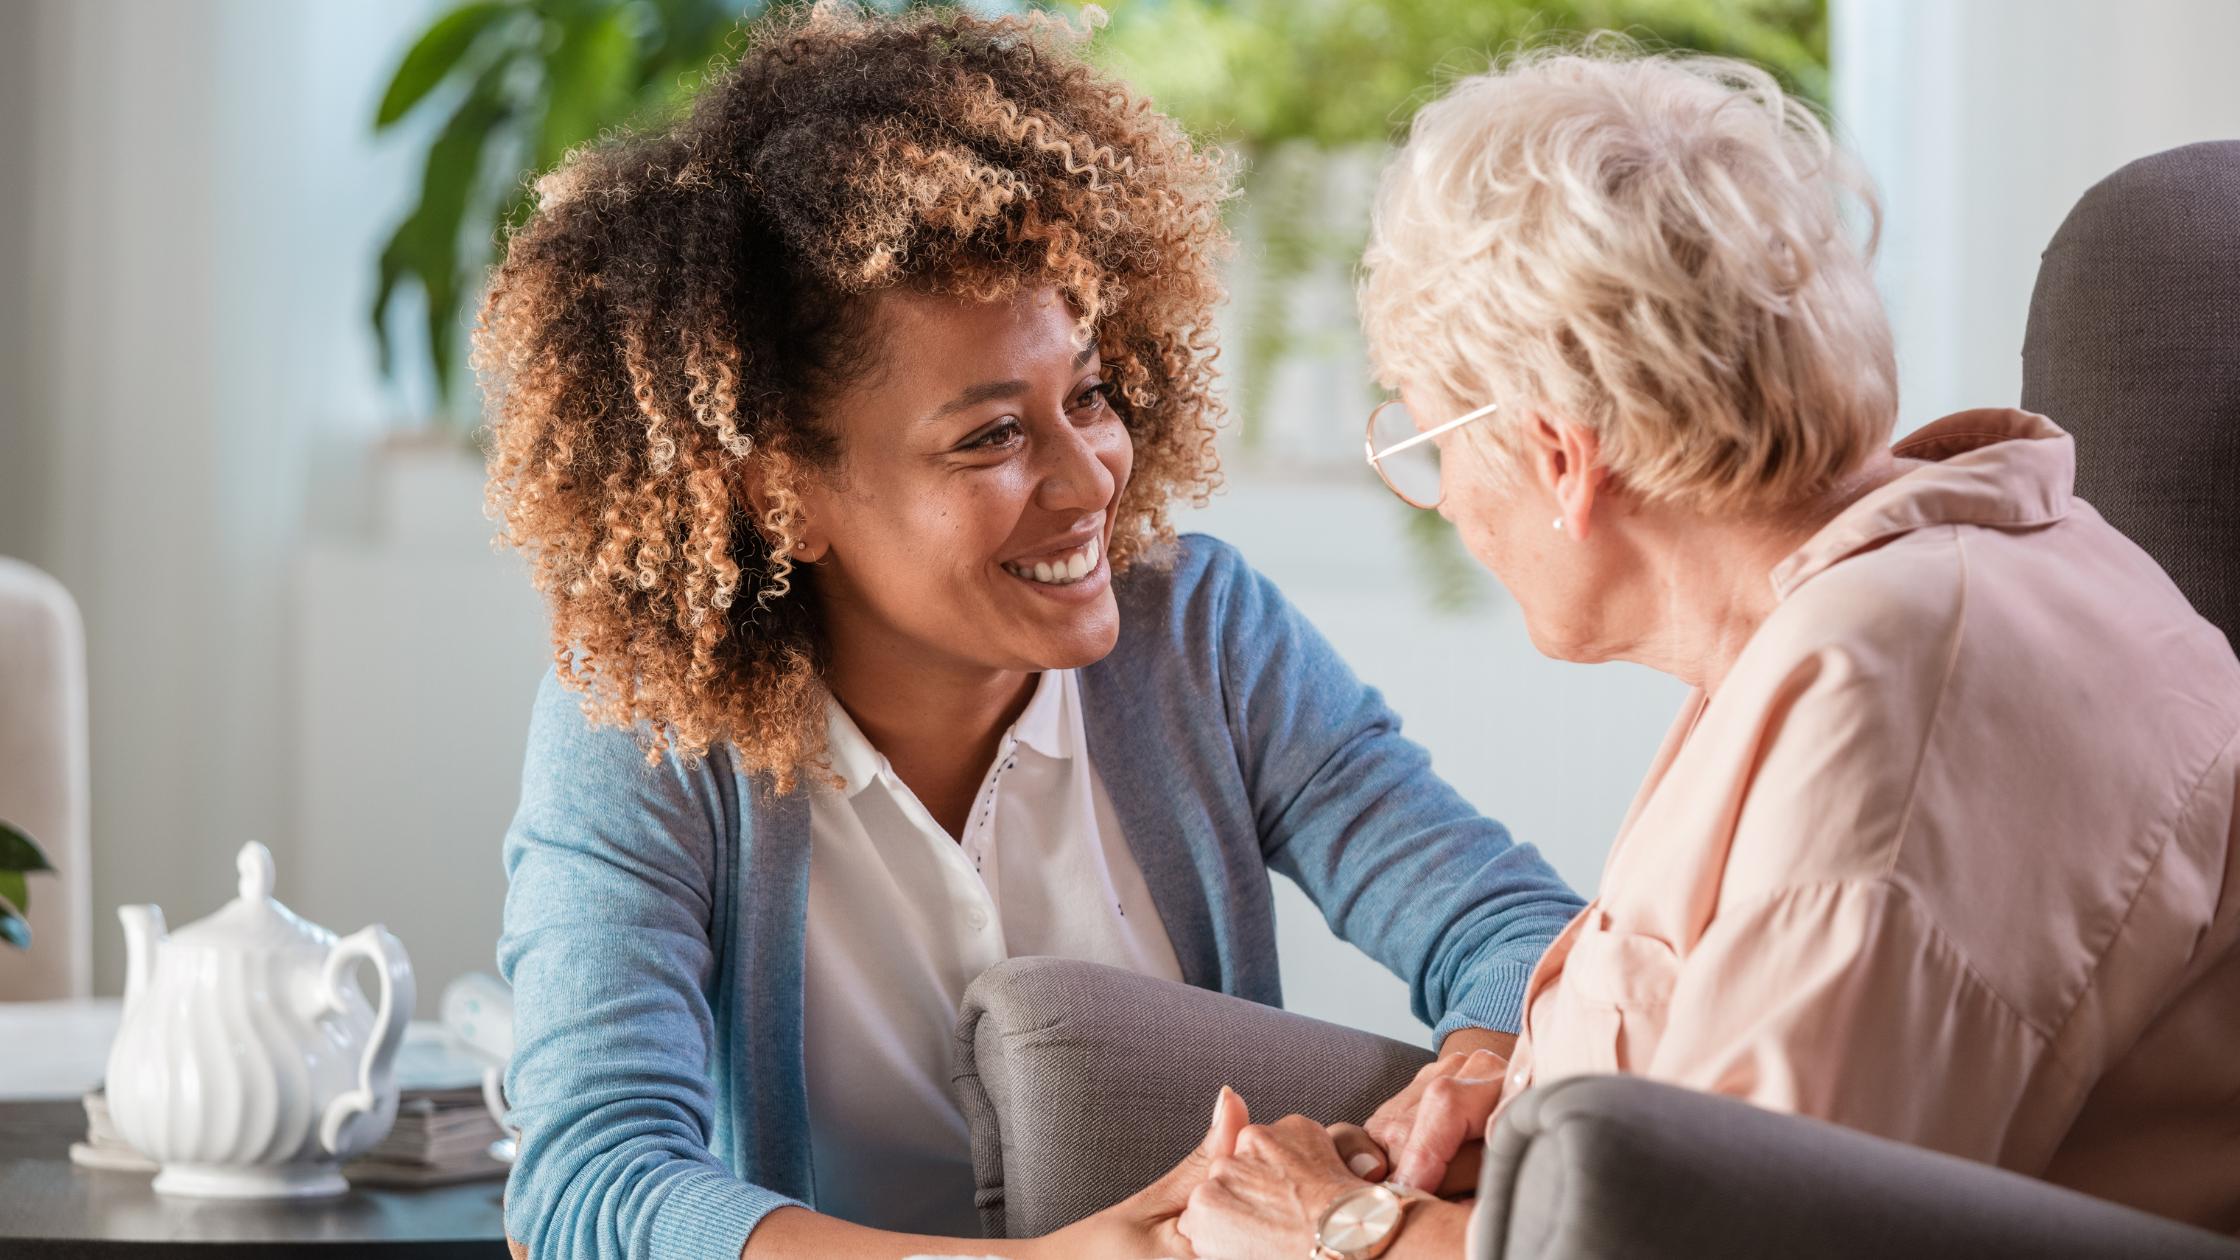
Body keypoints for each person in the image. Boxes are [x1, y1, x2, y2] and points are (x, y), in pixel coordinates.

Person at [473, 7, 1585, 1258]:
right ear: (782, 493)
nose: (1089, 478)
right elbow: (589, 1182)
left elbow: (1517, 934)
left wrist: (1452, 1100)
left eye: (1089, 396)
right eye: (991, 435)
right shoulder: (646, 728)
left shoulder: (1202, 638)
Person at [1172, 46, 2240, 1258]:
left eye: (1429, 441)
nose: (1449, 505)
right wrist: (1539, 1111)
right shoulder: (1872, 608)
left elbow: (1741, 1237)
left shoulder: (1890, 701)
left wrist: (1340, 1228)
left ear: (1557, 454)